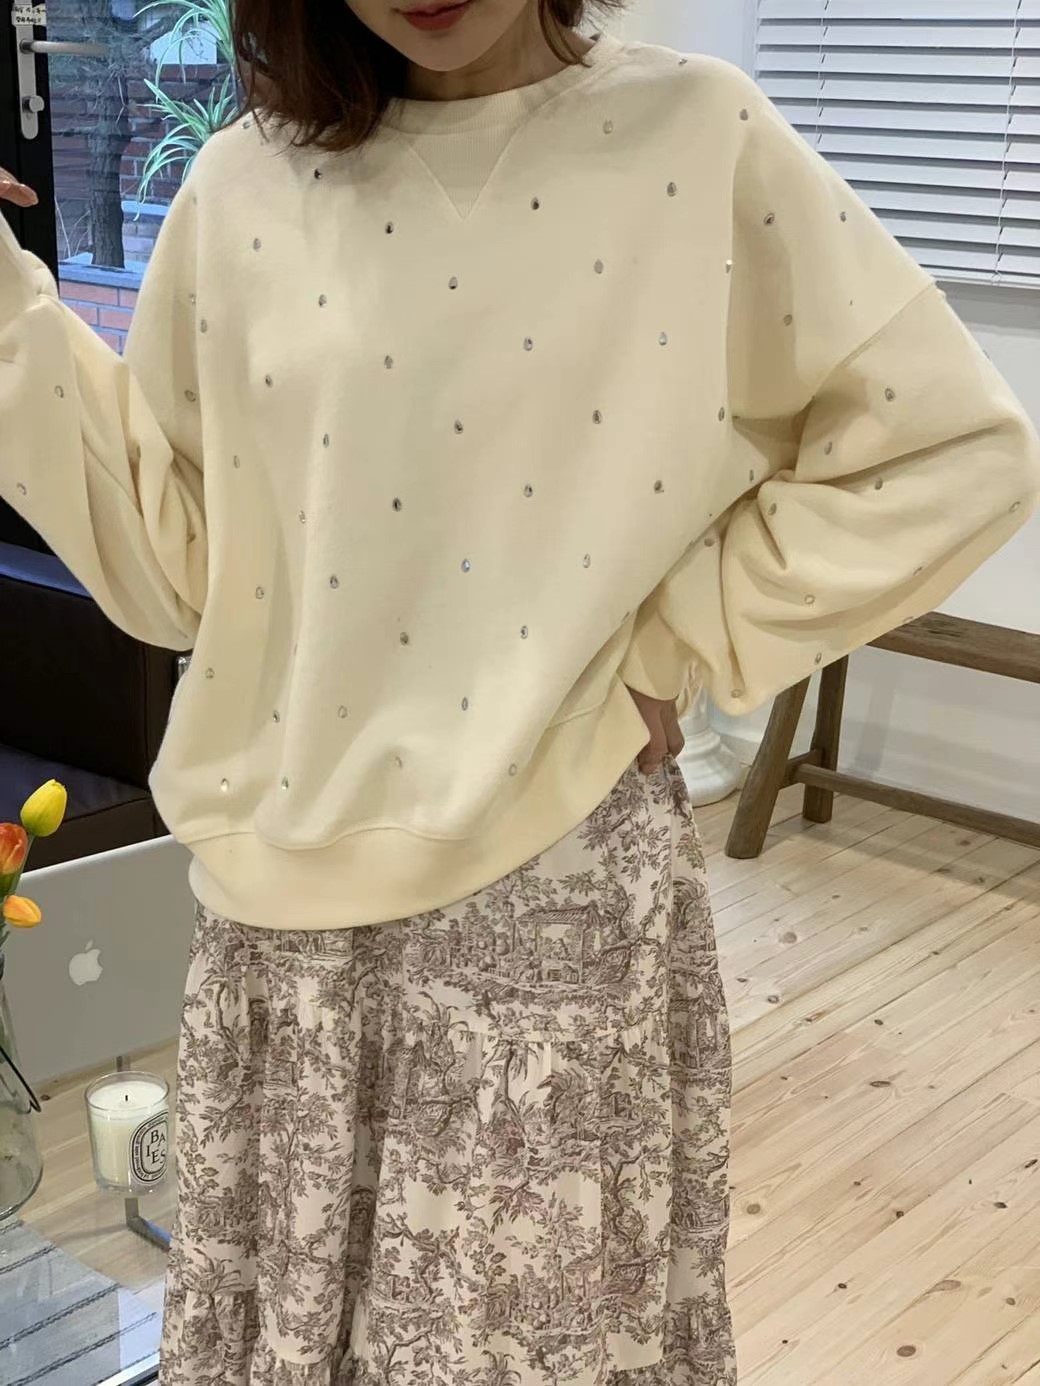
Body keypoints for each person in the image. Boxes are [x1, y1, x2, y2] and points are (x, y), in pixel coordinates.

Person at [2, 0, 1038, 1381]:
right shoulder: (246, 182)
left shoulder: (696, 140)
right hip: (281, 935)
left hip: (557, 909)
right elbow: (178, 562)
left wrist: (681, 634)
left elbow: (951, 448)